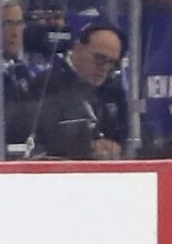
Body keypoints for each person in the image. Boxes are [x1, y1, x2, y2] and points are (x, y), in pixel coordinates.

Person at [28, 22, 128, 160]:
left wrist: (117, 146)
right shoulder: (46, 85)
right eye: (100, 58)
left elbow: (127, 133)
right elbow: (42, 136)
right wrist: (87, 146)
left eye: (113, 63)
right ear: (78, 48)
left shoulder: (113, 90)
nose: (105, 68)